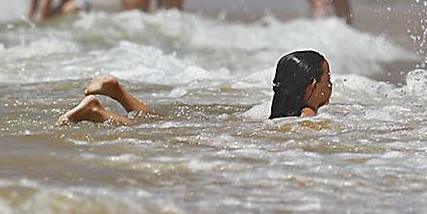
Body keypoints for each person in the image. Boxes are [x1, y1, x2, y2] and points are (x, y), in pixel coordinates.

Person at [57, 50, 333, 125]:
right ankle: (99, 112)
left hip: (234, 126)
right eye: (327, 80)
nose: (330, 86)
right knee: (152, 129)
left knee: (157, 124)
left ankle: (118, 92)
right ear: (311, 88)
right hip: (235, 136)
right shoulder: (307, 118)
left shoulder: (269, 112)